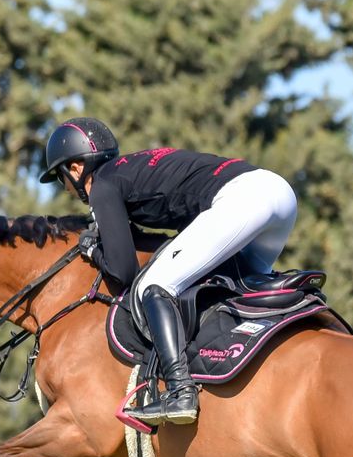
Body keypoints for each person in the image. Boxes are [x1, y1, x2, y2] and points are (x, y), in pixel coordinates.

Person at [37, 117, 299, 425]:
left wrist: (93, 251)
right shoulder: (126, 170)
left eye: (61, 177)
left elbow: (123, 273)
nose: (65, 187)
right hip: (278, 194)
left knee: (155, 285)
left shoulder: (103, 185)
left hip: (245, 199)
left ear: (76, 168)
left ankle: (180, 391)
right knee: (232, 283)